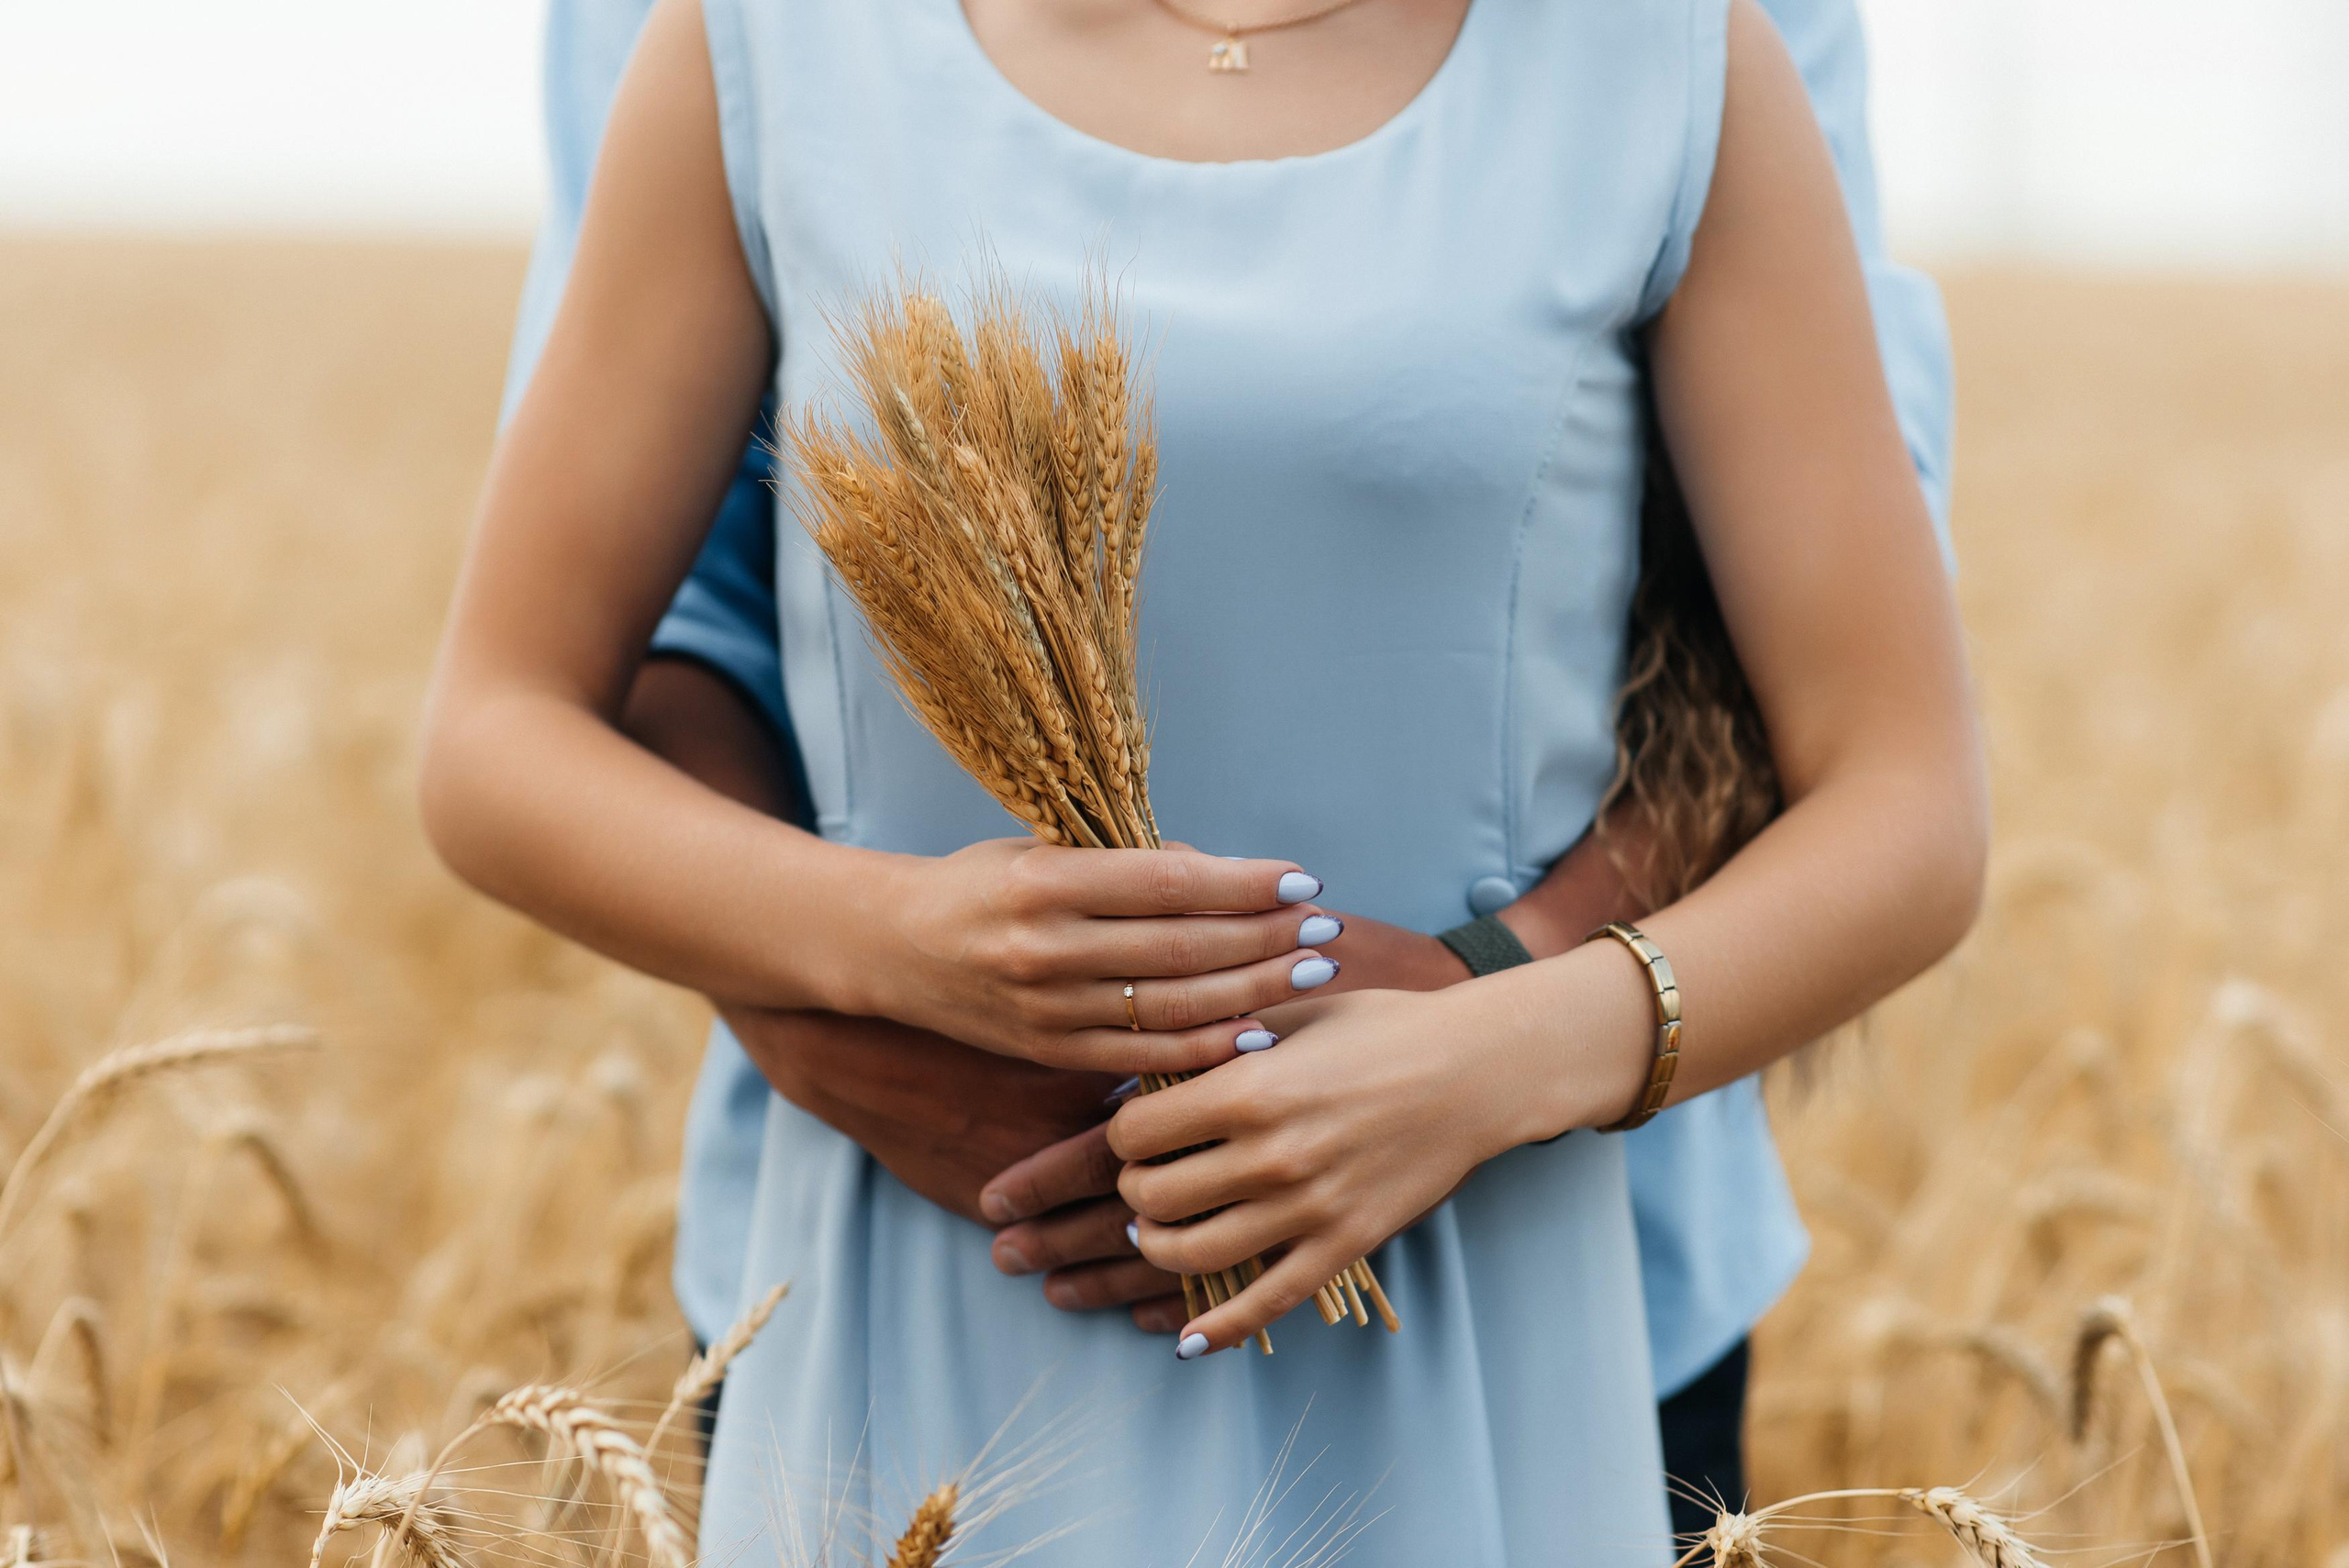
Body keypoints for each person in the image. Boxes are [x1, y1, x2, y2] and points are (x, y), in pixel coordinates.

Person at [429, 0, 1985, 1559]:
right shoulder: (762, 41)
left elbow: (1893, 786)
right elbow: (509, 722)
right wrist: (889, 949)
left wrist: (1495, 1042)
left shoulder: (1673, 56)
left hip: (1476, 1246)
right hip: (931, 1255)